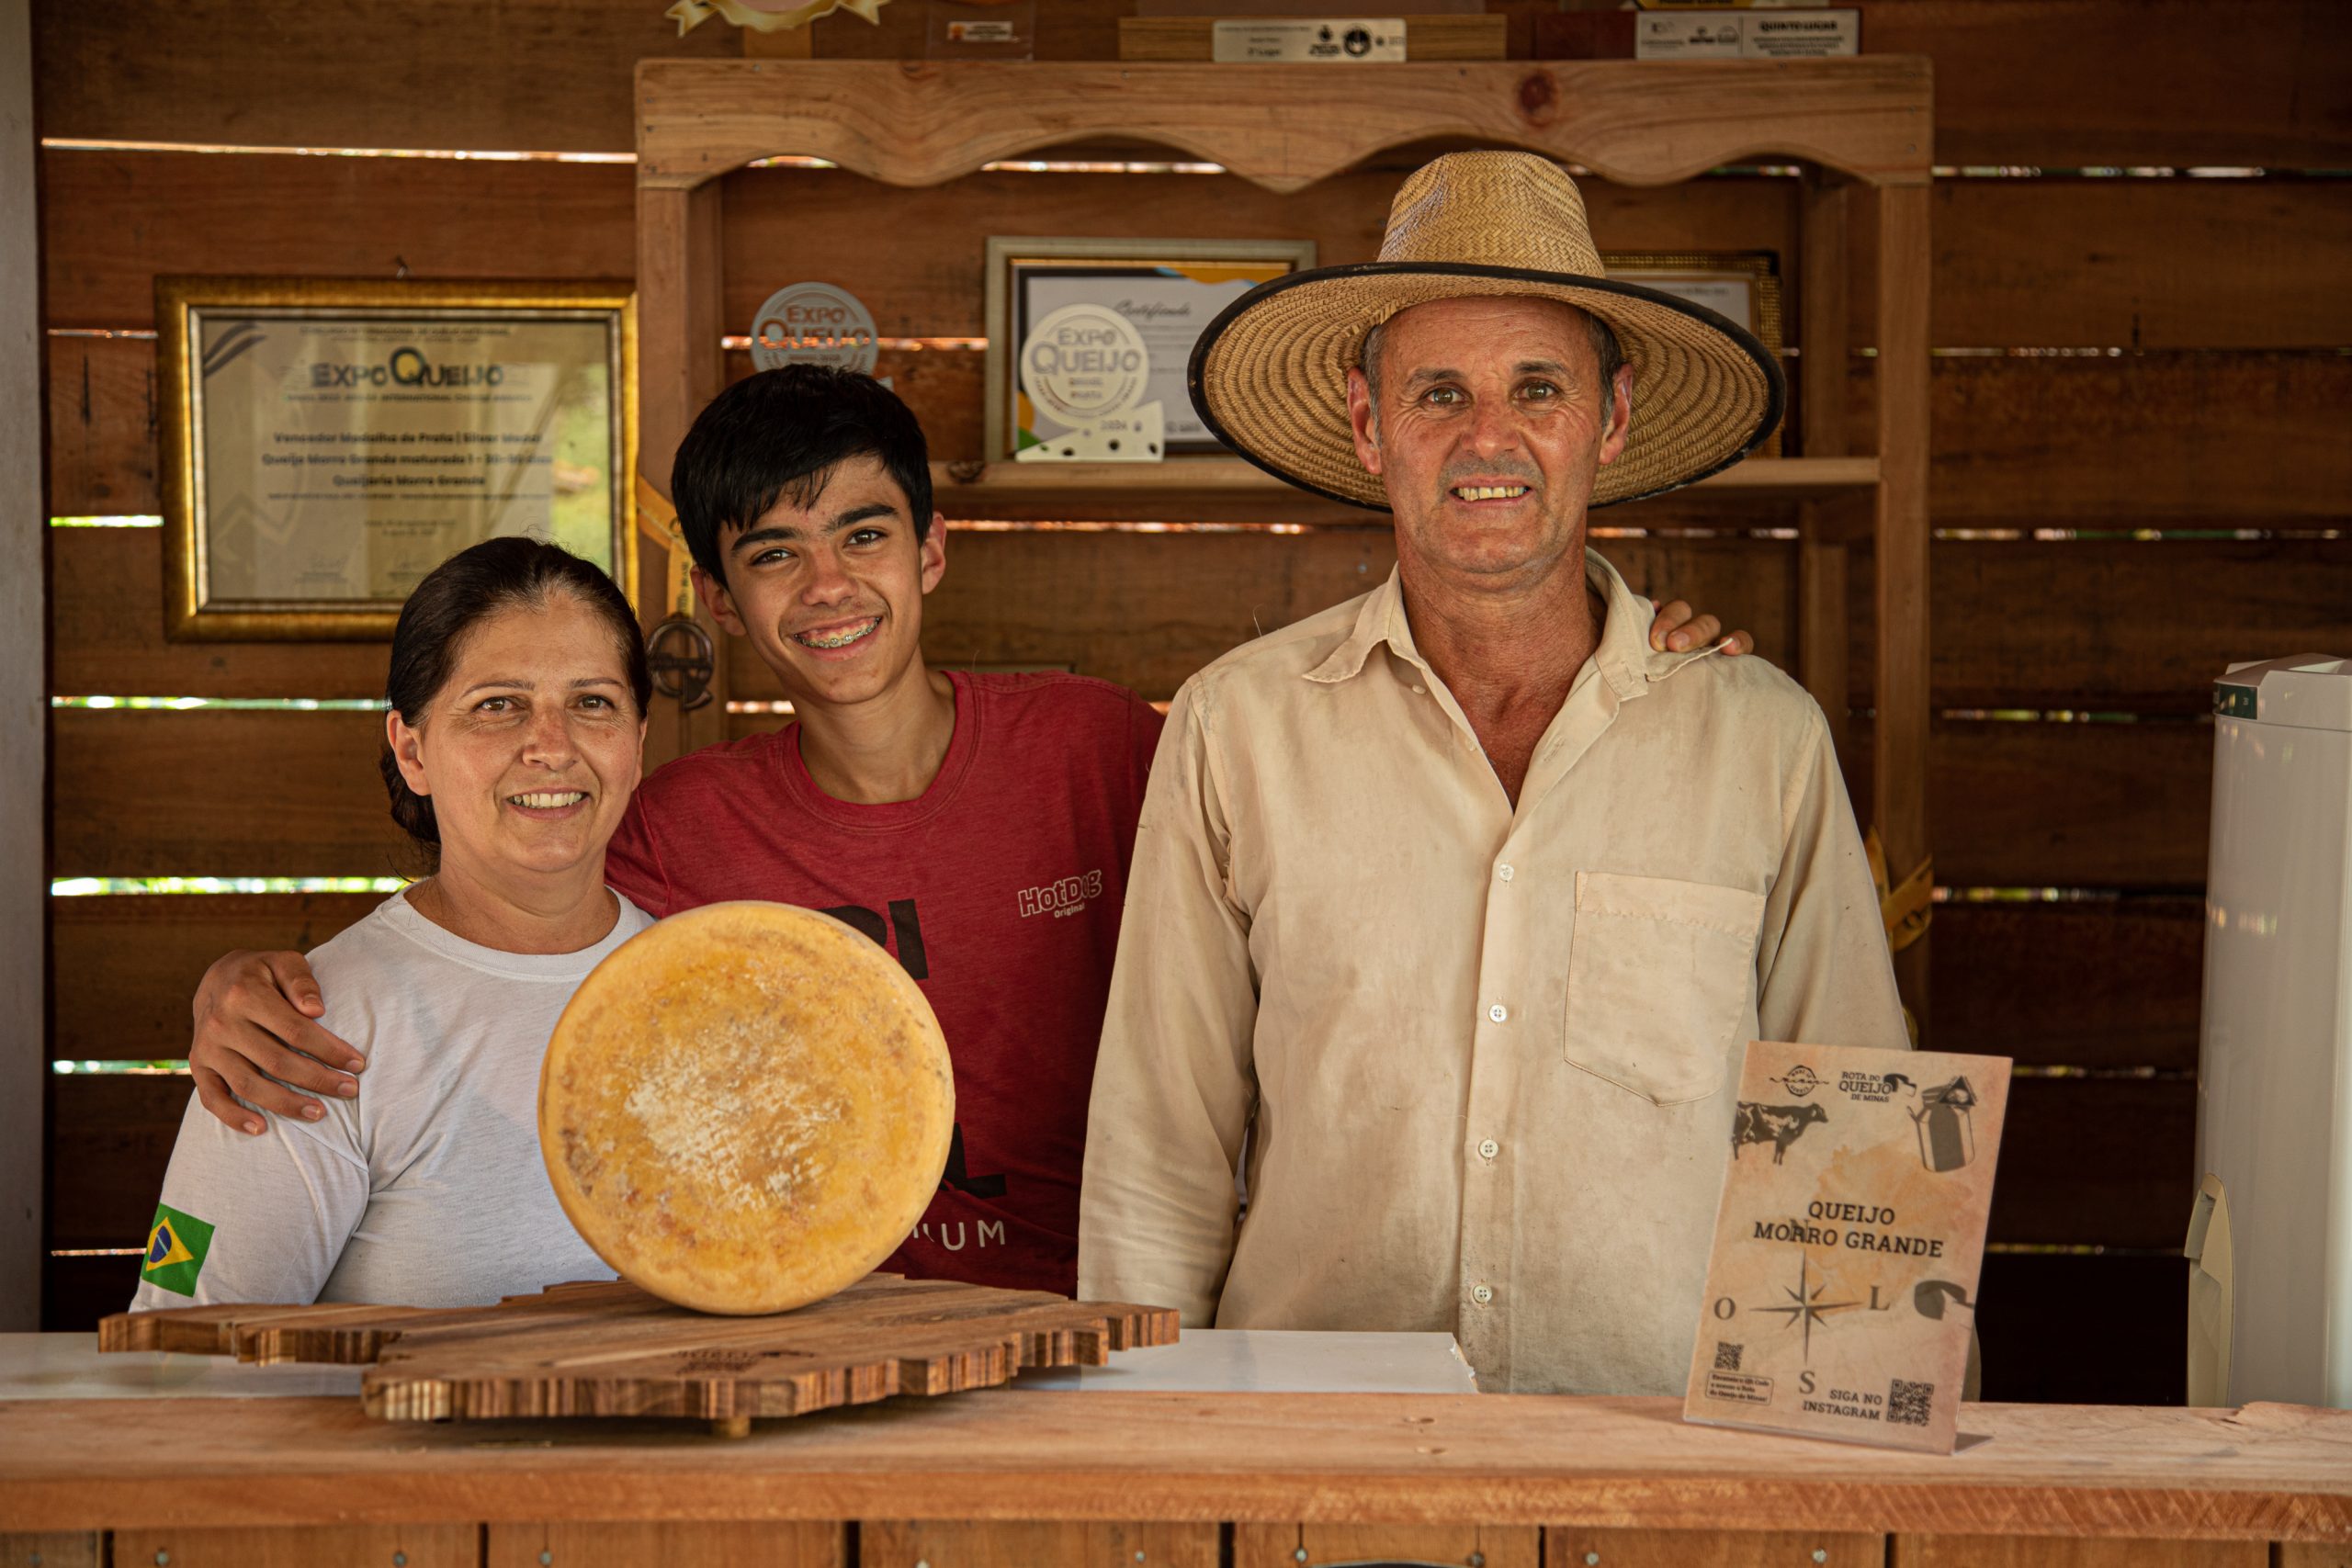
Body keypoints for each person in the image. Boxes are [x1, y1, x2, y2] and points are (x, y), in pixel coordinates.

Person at [175, 369, 1752, 1299]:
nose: (829, 586)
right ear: (722, 600)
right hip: (808, 1349)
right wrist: (257, 984)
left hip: (1102, 1325)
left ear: (932, 549)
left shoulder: (1103, 745)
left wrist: (1611, 657)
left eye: (864, 533)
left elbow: (1350, 844)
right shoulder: (678, 826)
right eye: (774, 554)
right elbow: (501, 907)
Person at [1076, 152, 1909, 1393]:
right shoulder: (1235, 728)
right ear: (1369, 426)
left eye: (1537, 387)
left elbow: (1854, 1141)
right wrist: (1144, 1438)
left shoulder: (1759, 741)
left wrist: (1847, 1464)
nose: (1488, 437)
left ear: (1609, 420)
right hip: (1317, 1450)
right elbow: (1161, 1148)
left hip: (1661, 1459)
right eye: (1438, 393)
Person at [133, 537, 652, 1307]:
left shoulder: (709, 989)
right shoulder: (302, 1031)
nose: (552, 746)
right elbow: (179, 1332)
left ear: (637, 743)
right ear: (412, 750)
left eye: (593, 702)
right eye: (497, 705)